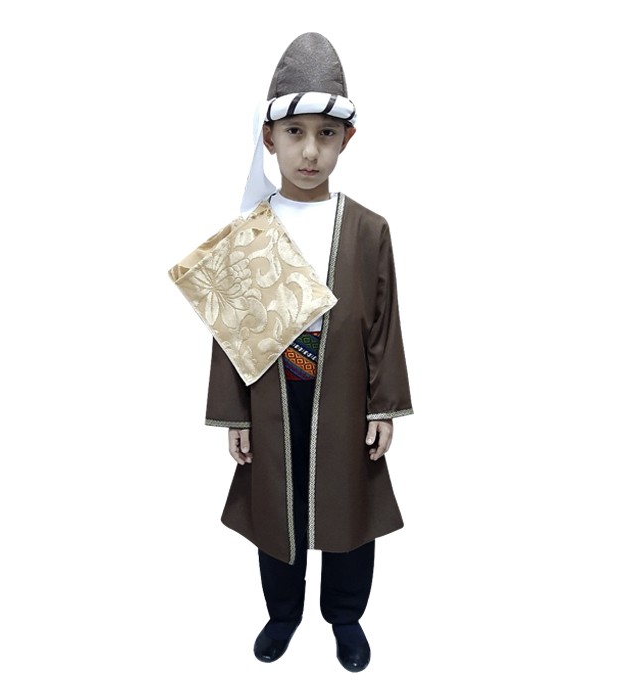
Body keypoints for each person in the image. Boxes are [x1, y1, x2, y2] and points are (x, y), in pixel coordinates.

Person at [204, 32, 413, 672]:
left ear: (347, 139)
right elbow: (230, 330)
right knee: (277, 506)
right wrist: (236, 414)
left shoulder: (369, 230)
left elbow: (383, 324)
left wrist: (383, 405)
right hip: (272, 397)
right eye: (295, 133)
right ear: (270, 138)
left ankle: (345, 617)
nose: (311, 150)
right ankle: (282, 613)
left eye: (326, 134)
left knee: (348, 503)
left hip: (345, 396)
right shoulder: (251, 231)